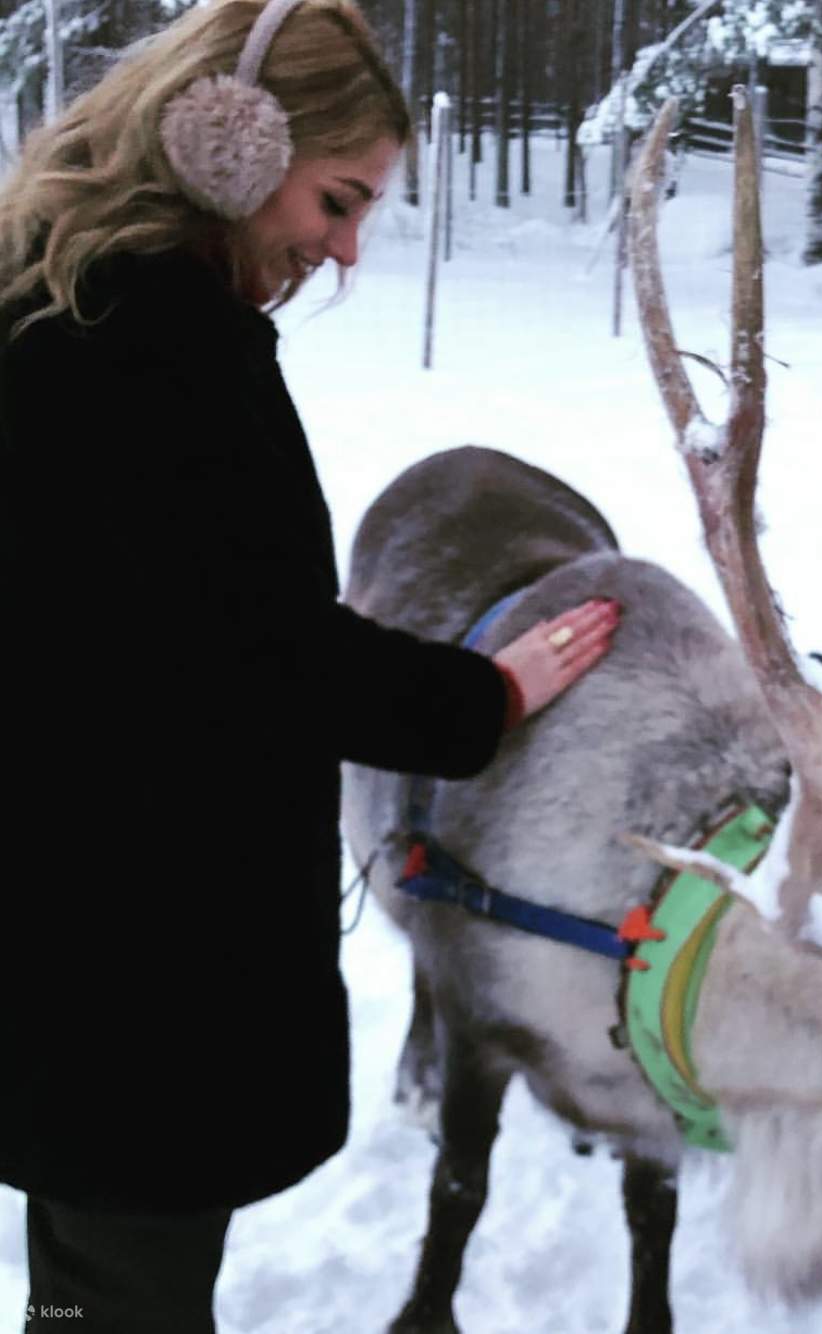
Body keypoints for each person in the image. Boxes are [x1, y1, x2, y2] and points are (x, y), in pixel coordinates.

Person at [0, 2, 619, 1329]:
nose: (340, 249)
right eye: (336, 200)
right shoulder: (154, 349)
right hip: (135, 950)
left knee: (97, 1270)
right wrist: (484, 693)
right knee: (128, 1289)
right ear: (228, 140)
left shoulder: (61, 299)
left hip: (63, 920)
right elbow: (256, 651)